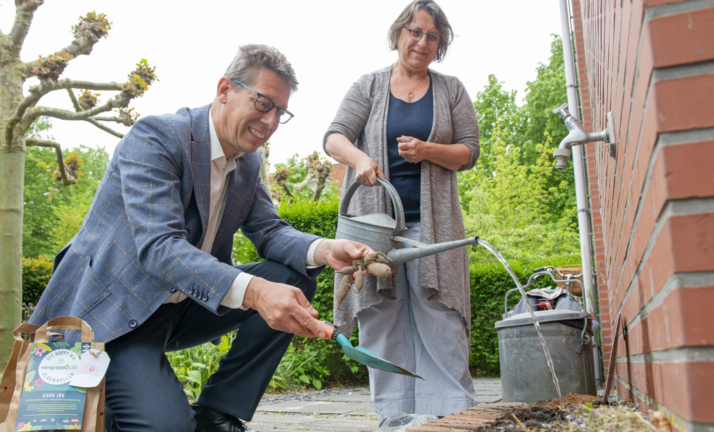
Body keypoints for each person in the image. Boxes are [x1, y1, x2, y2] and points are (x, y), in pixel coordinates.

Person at [30, 44, 374, 432]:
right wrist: (256, 292)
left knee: (293, 276)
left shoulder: (247, 163)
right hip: (114, 314)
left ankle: (218, 412)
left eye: (281, 111)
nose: (272, 121)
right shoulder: (156, 137)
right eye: (263, 103)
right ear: (225, 89)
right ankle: (110, 399)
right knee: (168, 427)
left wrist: (327, 250)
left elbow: (269, 230)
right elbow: (160, 248)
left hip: (178, 308)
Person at [323, 0, 480, 420]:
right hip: (374, 226)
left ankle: (452, 417)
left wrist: (428, 150)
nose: (422, 41)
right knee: (381, 314)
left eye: (433, 36)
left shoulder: (451, 90)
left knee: (440, 314)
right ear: (398, 34)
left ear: (440, 45)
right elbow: (334, 137)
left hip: (435, 223)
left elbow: (469, 151)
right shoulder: (369, 86)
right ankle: (395, 419)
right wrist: (359, 160)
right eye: (415, 31)